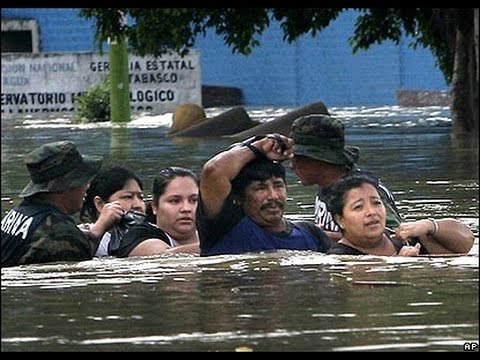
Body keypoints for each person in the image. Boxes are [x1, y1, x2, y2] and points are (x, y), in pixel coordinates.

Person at [198, 134, 333, 256]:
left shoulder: (311, 234)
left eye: (278, 186)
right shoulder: (225, 229)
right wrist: (258, 147)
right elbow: (213, 171)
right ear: (238, 197)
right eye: (260, 188)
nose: (273, 196)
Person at [289, 114, 402, 241]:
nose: (291, 166)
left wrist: (323, 237)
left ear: (317, 160)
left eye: (297, 159)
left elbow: (396, 237)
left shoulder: (366, 191)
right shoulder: (326, 186)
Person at [1, 140, 110, 267]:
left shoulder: (21, 211)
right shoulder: (59, 231)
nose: (87, 187)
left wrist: (97, 231)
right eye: (82, 181)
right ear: (67, 186)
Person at [325, 172, 474, 256]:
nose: (371, 212)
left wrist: (429, 226)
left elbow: (465, 244)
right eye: (358, 207)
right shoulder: (341, 259)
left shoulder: (404, 239)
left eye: (376, 203)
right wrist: (399, 265)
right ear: (340, 219)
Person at [111, 166, 200, 257]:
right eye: (174, 201)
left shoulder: (209, 234)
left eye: (194, 200)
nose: (186, 208)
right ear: (154, 206)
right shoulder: (139, 235)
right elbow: (164, 256)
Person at [78, 166, 147, 257]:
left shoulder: (151, 233)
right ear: (100, 204)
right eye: (127, 197)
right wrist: (99, 228)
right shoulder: (79, 235)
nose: (138, 205)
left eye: (141, 197)